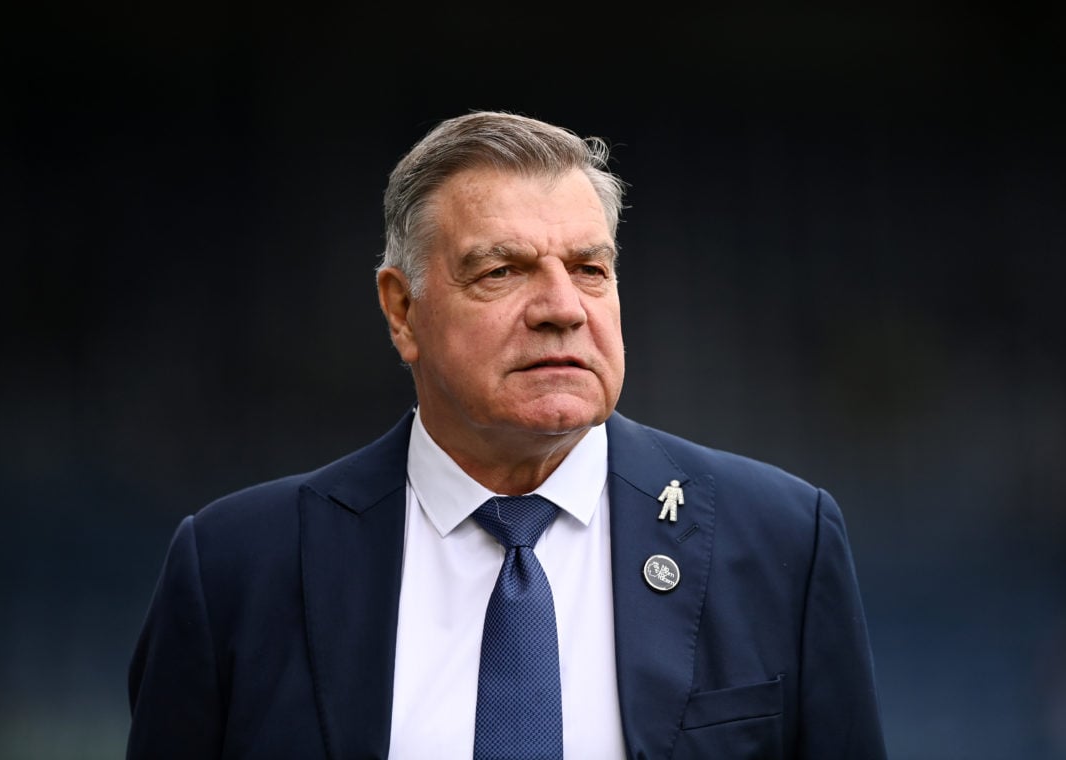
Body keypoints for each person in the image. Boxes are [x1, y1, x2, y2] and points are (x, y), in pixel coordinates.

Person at [126, 110, 887, 759]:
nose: (562, 306)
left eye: (590, 269)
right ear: (401, 310)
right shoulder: (234, 568)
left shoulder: (785, 540)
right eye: (502, 271)